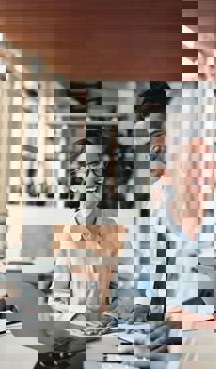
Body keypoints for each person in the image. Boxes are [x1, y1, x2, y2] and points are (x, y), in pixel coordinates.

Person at [48, 130, 137, 330]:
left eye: (96, 165)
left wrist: (110, 317)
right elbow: (57, 300)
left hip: (109, 330)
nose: (92, 175)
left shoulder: (116, 232)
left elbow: (125, 290)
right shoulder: (65, 237)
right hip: (75, 330)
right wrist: (81, 320)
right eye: (82, 167)